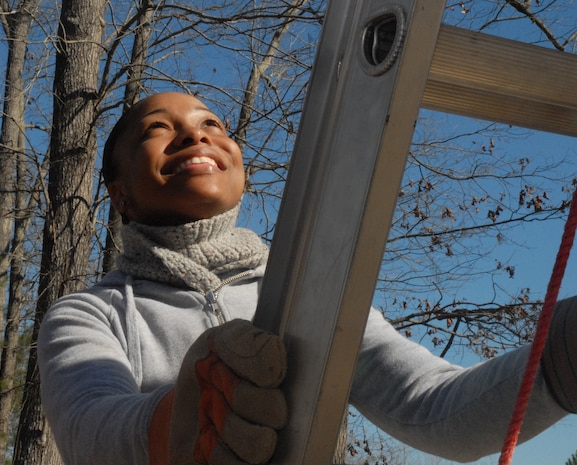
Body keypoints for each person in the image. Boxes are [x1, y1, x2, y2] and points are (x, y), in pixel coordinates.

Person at [38, 92, 577, 465]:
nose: (193, 136)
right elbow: (93, 433)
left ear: (239, 165)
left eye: (212, 125)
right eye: (158, 129)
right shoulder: (86, 314)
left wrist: (560, 358)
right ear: (118, 190)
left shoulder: (316, 292)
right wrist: (186, 416)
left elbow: (434, 407)